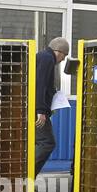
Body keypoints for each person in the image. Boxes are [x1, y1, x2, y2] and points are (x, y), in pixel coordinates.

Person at [34, 36, 70, 177]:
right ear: (59, 51)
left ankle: (26, 179)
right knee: (47, 142)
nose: (62, 60)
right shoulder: (47, 59)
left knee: (34, 142)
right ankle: (26, 177)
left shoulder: (42, 57)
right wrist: (41, 110)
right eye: (64, 56)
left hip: (35, 108)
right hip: (36, 111)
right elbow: (40, 84)